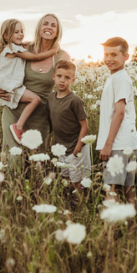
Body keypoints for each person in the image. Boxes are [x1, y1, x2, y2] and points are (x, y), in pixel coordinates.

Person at [0, 14, 70, 157]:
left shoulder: (62, 56)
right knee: (12, 158)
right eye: (45, 23)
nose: (48, 27)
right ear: (39, 27)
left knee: (36, 162)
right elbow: (4, 67)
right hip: (14, 109)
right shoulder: (24, 47)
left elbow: (65, 86)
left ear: (58, 32)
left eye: (53, 25)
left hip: (40, 115)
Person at [97, 37, 137, 203]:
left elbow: (120, 112)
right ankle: (132, 228)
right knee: (129, 189)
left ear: (125, 57)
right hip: (126, 142)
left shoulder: (120, 78)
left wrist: (108, 145)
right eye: (106, 54)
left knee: (111, 190)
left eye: (114, 54)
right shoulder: (115, 77)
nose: (108, 59)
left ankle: (109, 229)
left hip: (118, 144)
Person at [47, 60, 90, 193]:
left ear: (73, 80)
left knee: (76, 182)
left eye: (67, 78)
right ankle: (70, 207)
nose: (62, 80)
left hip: (76, 147)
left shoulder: (74, 100)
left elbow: (85, 126)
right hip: (61, 148)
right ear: (53, 77)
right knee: (65, 179)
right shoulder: (51, 98)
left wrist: (77, 149)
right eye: (59, 76)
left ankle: (81, 208)